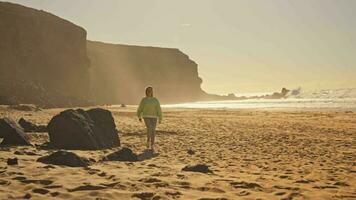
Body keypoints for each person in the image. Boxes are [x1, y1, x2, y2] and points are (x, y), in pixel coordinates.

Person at [137, 86, 162, 152]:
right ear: (146, 92)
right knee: (150, 128)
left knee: (153, 130)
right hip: (146, 116)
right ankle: (148, 140)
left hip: (154, 117)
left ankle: (152, 144)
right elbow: (140, 108)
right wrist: (139, 116)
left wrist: (160, 118)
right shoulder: (144, 100)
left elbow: (158, 109)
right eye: (148, 91)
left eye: (150, 91)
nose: (149, 92)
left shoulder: (155, 100)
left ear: (152, 92)